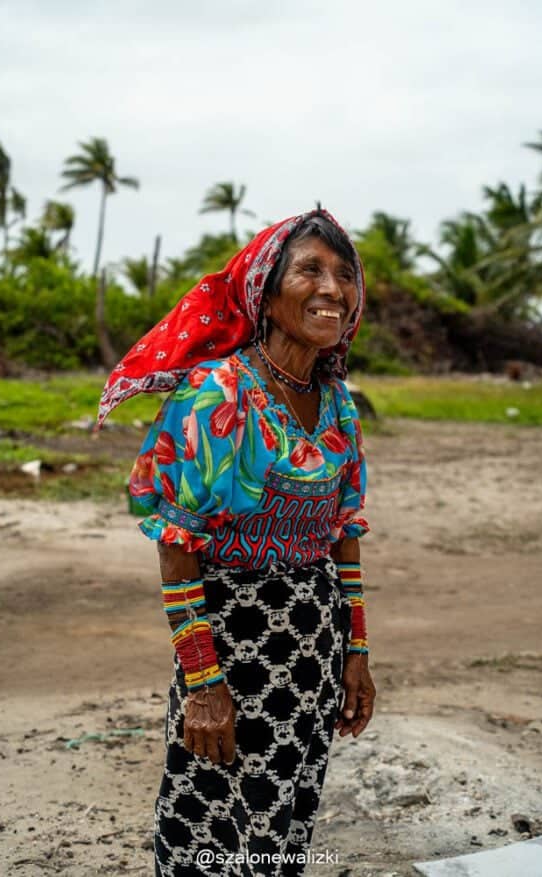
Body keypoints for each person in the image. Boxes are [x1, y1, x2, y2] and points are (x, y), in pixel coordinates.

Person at [97, 207, 376, 876]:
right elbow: (175, 542)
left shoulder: (336, 401)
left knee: (285, 815)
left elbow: (343, 532)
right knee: (206, 820)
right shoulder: (216, 395)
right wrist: (201, 682)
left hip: (314, 643)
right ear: (265, 289)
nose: (332, 289)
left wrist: (356, 650)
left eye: (344, 275)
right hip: (232, 646)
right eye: (310, 270)